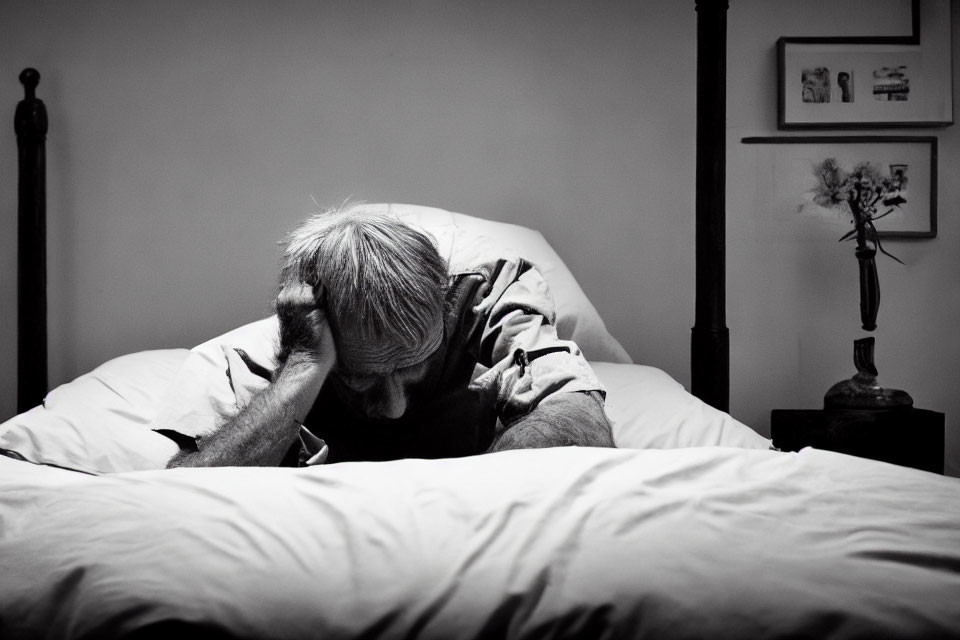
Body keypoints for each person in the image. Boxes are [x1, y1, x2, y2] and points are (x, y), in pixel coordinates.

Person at [166, 203, 615, 467]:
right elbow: (181, 500)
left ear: (445, 304)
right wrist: (306, 366)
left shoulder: (481, 294)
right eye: (361, 378)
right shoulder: (248, 362)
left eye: (415, 363)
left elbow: (579, 415)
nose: (395, 409)